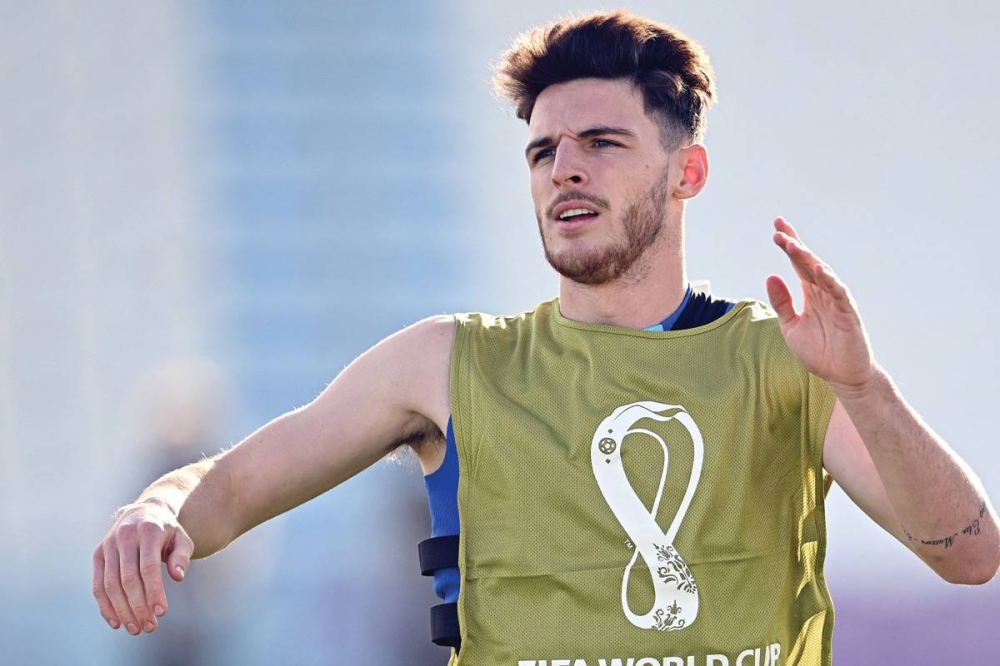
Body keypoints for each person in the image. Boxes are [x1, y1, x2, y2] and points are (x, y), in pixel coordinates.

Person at [93, 10, 998, 665]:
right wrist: (156, 510)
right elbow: (232, 486)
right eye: (543, 151)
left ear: (687, 172)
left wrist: (865, 389)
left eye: (602, 143)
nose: (564, 168)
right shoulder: (446, 364)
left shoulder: (782, 359)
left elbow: (970, 554)